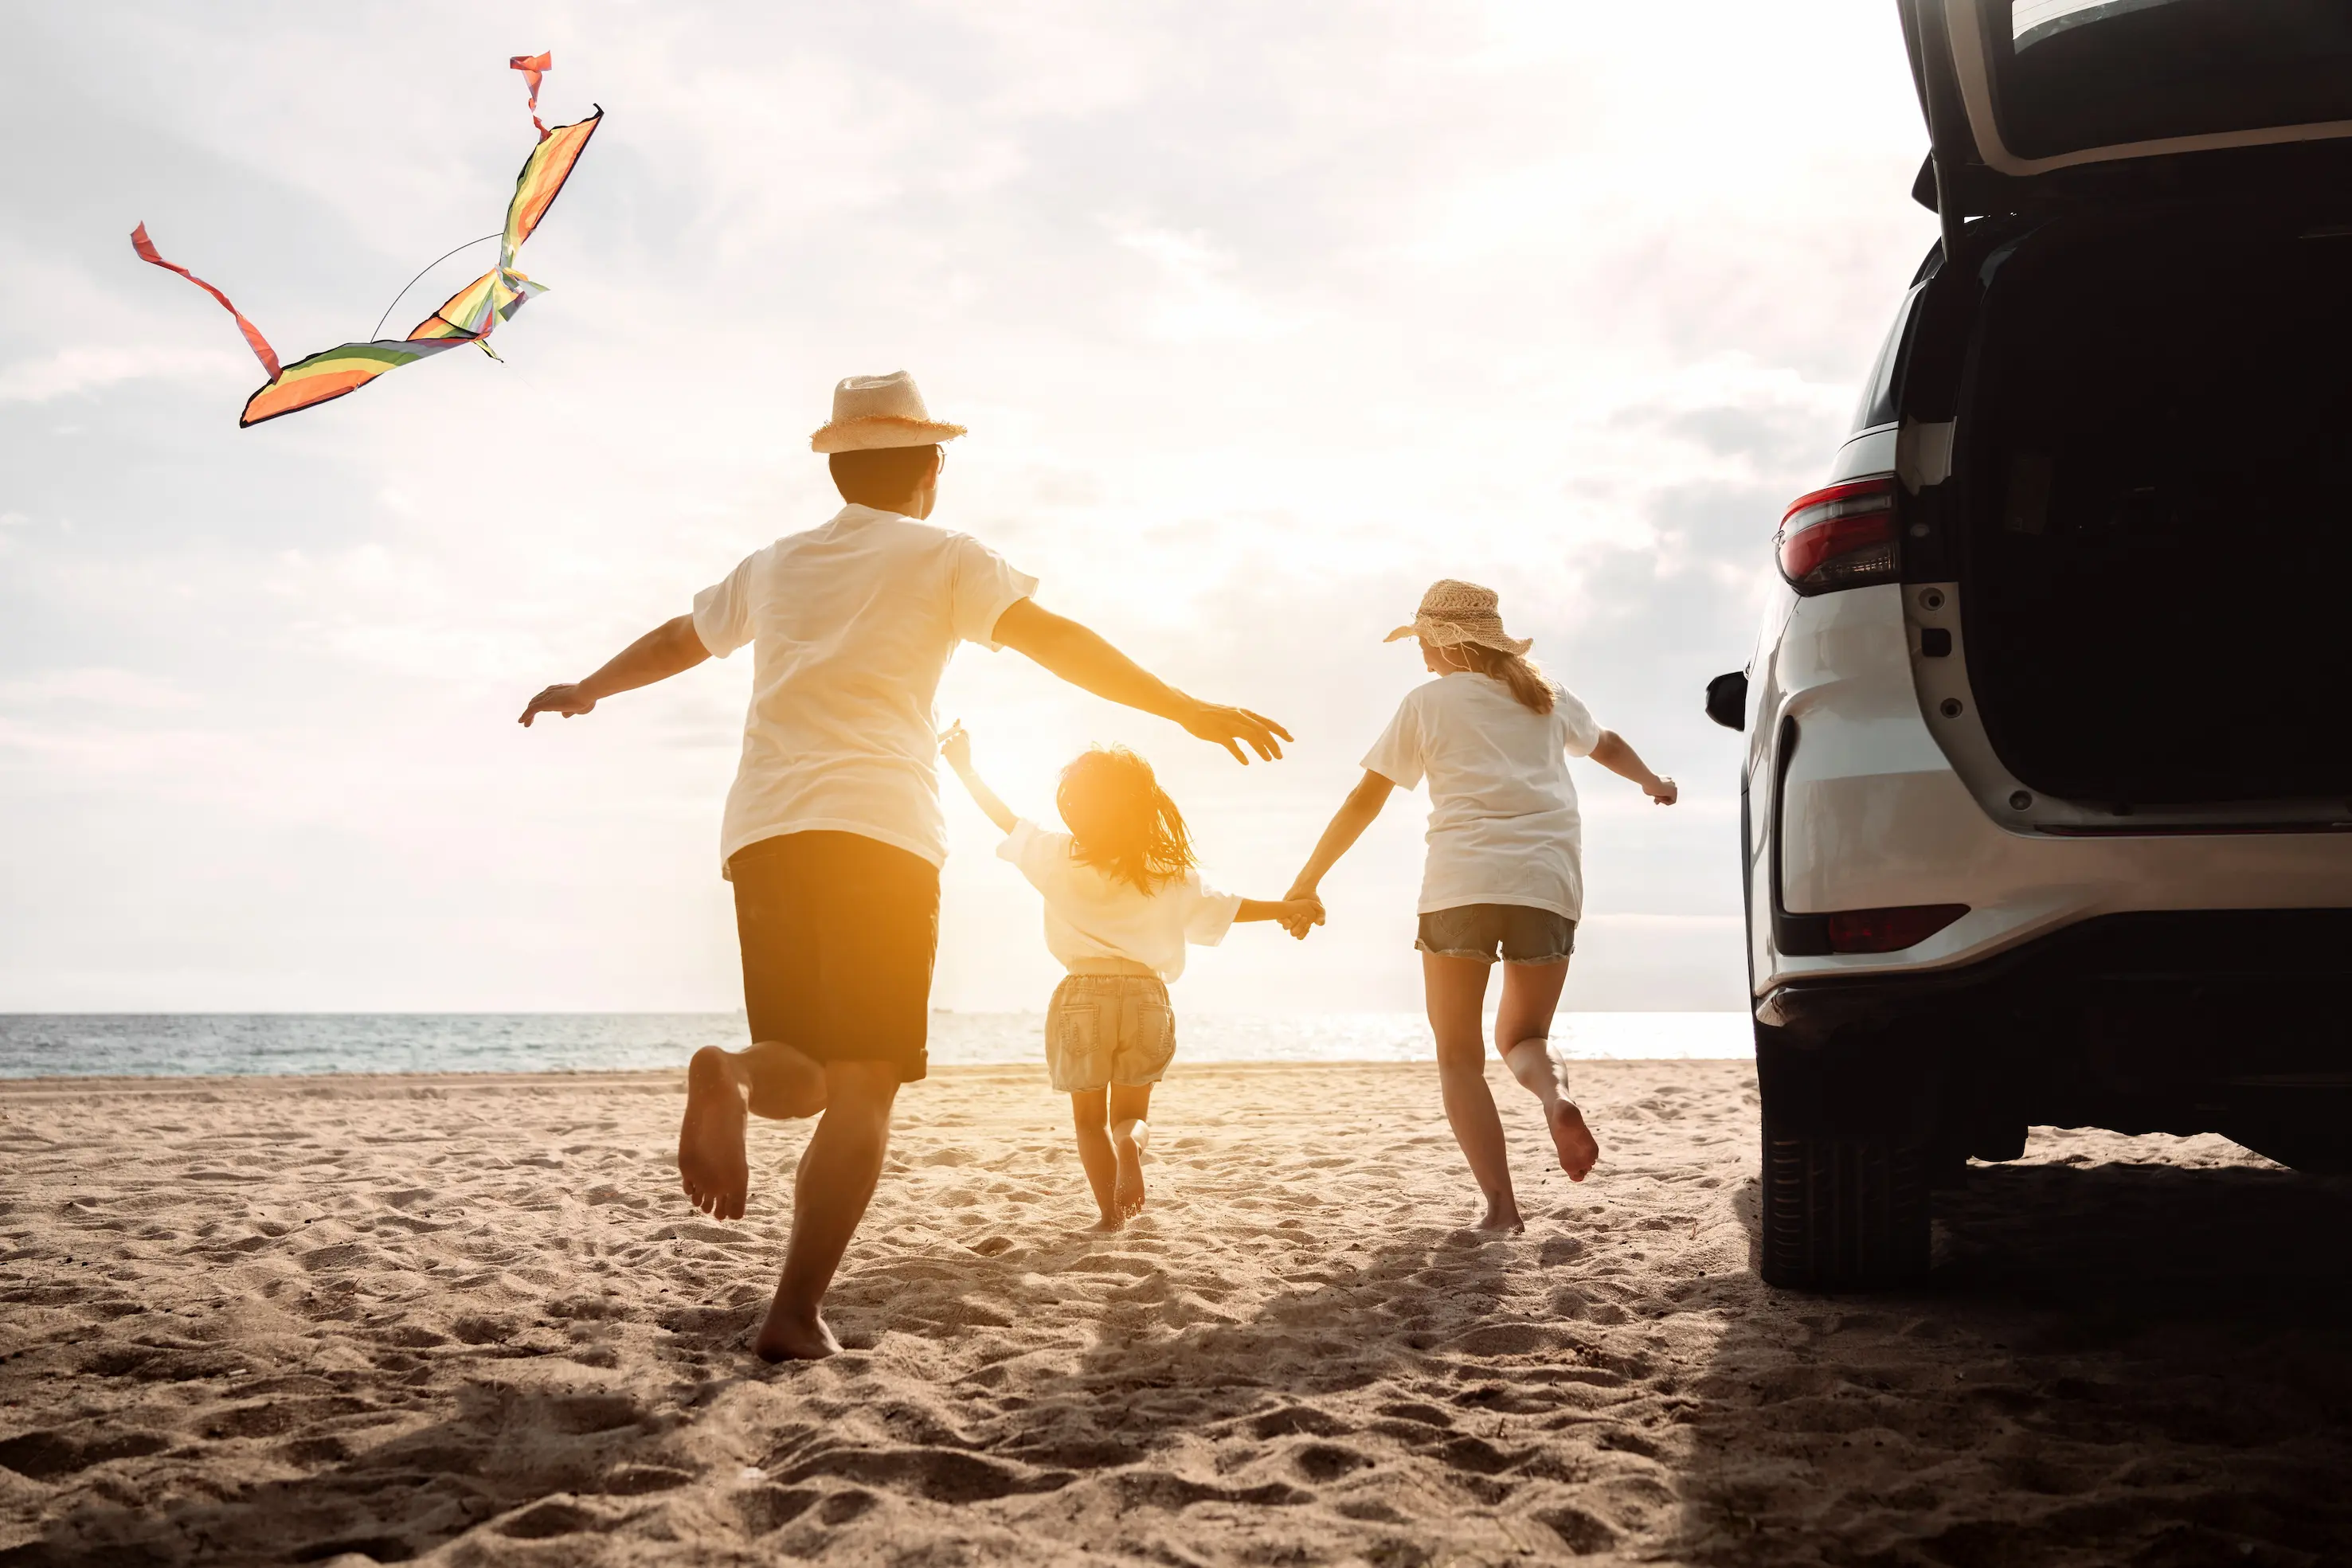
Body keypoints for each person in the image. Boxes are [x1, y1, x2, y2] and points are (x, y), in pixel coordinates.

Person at [516, 371, 1290, 1359]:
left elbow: (681, 638)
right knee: (865, 1083)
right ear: (930, 470)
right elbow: (1057, 644)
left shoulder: (776, 564)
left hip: (766, 829)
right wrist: (1184, 707)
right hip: (880, 832)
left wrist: (589, 687)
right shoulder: (948, 558)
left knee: (797, 1071)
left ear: (838, 469)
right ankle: (793, 1313)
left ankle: (732, 1078)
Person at [1283, 580, 1676, 1233]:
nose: (1420, 656)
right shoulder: (1546, 697)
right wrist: (1651, 781)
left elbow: (1365, 799)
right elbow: (1605, 743)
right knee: (1524, 1038)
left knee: (1458, 1056)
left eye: (1422, 642)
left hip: (1459, 887)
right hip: (1545, 886)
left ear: (1441, 640)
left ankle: (1501, 1207)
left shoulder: (1427, 702)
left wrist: (1307, 880)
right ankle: (1556, 1096)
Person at [938, 722, 1322, 1230]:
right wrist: (1288, 907)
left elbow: (1004, 818)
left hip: (1082, 994)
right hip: (1145, 994)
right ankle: (1130, 1144)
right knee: (1129, 1117)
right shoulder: (1164, 870)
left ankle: (1109, 1217)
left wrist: (964, 766)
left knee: (1086, 1121)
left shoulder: (1055, 854)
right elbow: (1228, 908)